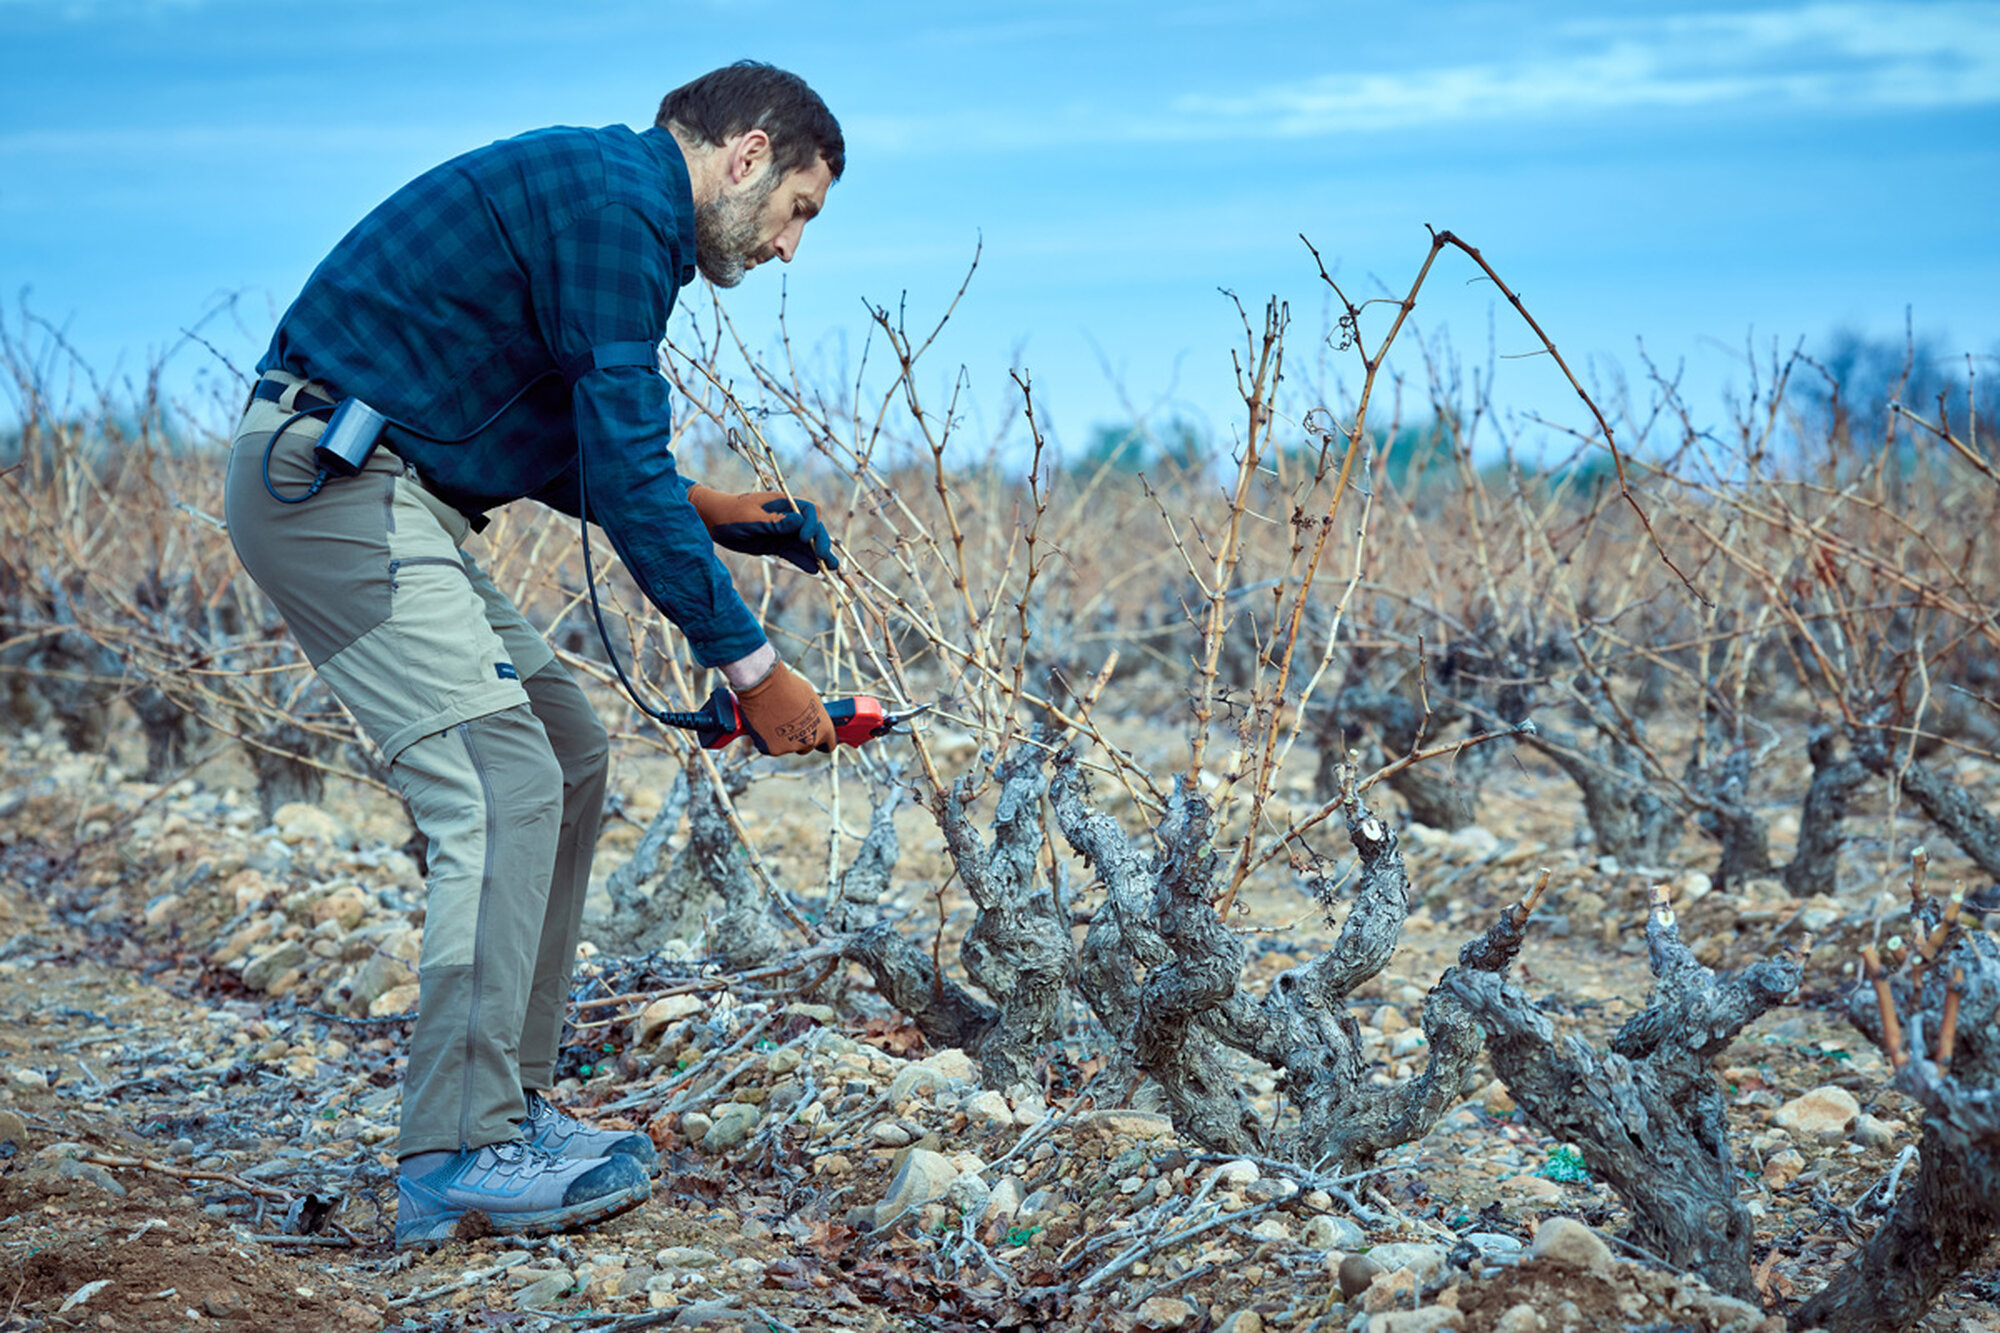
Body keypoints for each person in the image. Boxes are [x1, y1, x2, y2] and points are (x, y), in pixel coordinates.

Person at [222, 62, 846, 1248]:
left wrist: (711, 510)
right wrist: (755, 672)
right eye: (799, 210)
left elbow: (564, 447)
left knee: (564, 749)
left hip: (384, 488)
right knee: (500, 779)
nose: (788, 249)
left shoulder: (613, 207)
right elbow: (613, 457)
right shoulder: (620, 203)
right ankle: (457, 1151)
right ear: (748, 154)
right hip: (333, 487)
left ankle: (504, 1107)